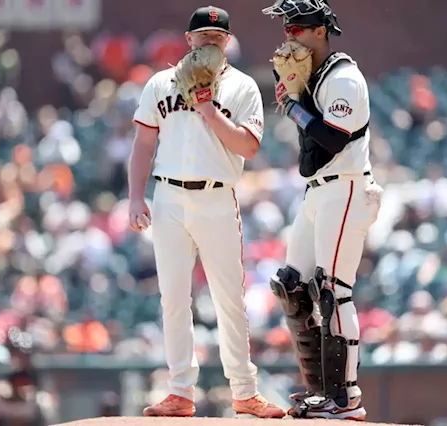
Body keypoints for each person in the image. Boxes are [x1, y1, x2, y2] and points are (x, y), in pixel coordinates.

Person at [128, 5, 285, 419]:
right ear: (189, 39)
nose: (211, 42)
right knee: (173, 298)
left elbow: (248, 147)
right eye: (204, 36)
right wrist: (134, 196)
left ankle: (245, 391)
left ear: (227, 41)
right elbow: (144, 144)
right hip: (169, 198)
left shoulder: (243, 87)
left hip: (217, 196)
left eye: (218, 37)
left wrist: (207, 107)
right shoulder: (161, 83)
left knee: (229, 297)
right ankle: (180, 390)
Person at [261, 0, 383, 420]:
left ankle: (345, 398)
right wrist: (296, 98)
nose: (289, 35)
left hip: (347, 188)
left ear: (319, 31)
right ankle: (321, 392)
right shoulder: (313, 79)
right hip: (319, 191)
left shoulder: (344, 77)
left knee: (333, 292)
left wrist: (294, 106)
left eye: (297, 28)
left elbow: (333, 139)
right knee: (292, 286)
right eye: (286, 29)